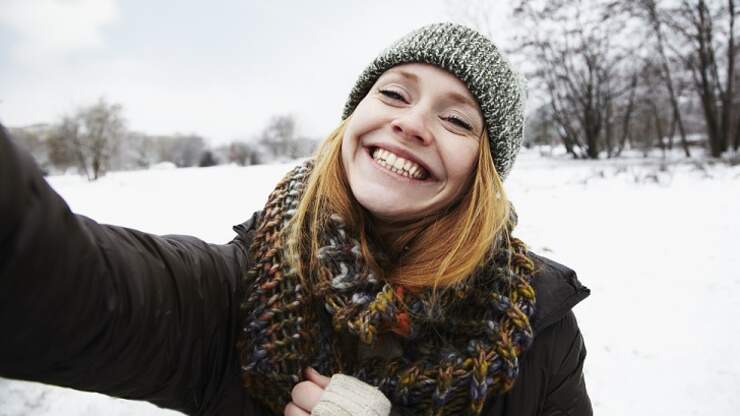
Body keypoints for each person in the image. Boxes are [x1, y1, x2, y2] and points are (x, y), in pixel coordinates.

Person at [0, 22, 592, 415]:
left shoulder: (538, 333)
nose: (411, 123)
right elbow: (58, 280)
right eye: (393, 93)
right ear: (352, 118)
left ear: (482, 172)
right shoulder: (241, 291)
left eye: (457, 120)